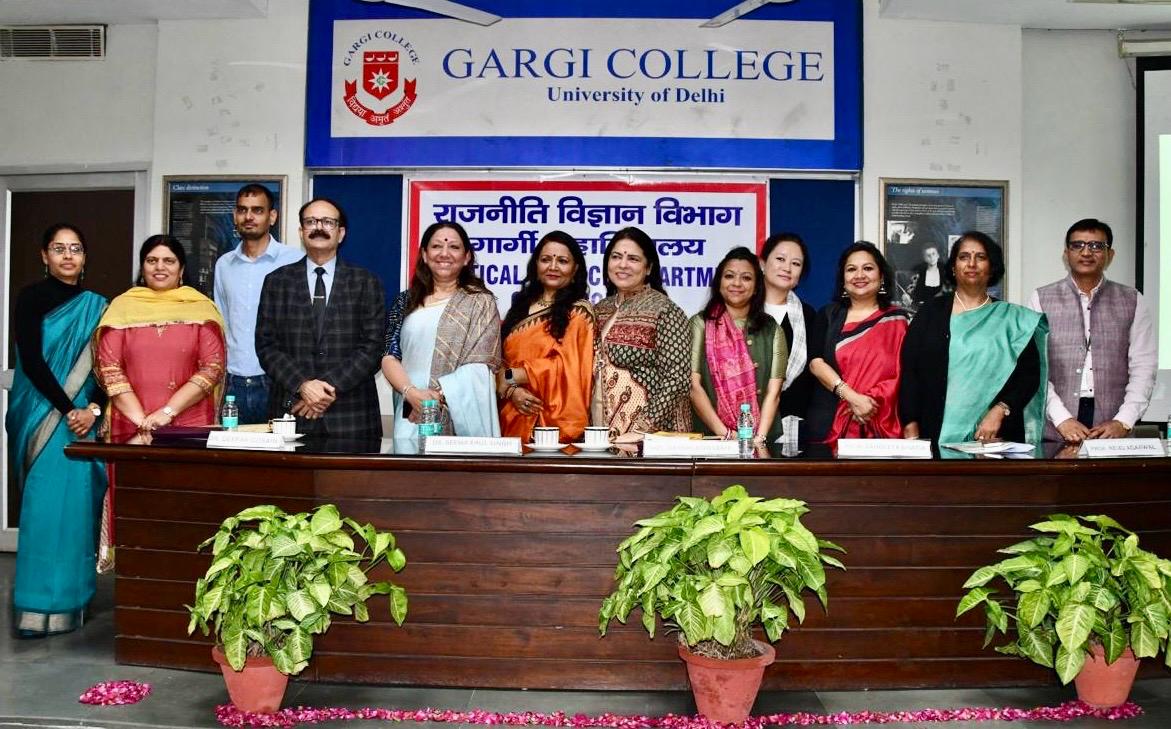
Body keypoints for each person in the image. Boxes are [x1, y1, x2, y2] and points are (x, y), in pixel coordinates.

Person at [7, 224, 108, 637]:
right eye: (59, 249)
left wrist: (93, 410)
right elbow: (32, 362)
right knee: (44, 512)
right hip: (43, 414)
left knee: (77, 512)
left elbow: (106, 367)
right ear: (44, 256)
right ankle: (34, 607)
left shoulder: (98, 306)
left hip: (83, 420)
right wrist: (71, 410)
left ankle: (71, 602)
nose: (68, 256)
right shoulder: (31, 298)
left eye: (75, 249)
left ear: (84, 258)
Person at [256, 198, 386, 440]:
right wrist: (303, 386)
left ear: (341, 233)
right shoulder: (276, 282)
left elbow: (373, 347)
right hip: (291, 410)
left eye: (327, 222)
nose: (319, 227)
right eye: (311, 221)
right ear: (301, 232)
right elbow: (266, 346)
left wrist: (323, 390)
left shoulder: (366, 282)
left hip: (352, 415)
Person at [900, 233, 1048, 445]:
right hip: (933, 432)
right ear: (953, 267)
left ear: (992, 267)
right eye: (964, 257)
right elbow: (910, 372)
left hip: (994, 435)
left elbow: (1029, 376)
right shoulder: (930, 313)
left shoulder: (1013, 320)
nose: (971, 263)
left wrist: (1000, 409)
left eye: (980, 257)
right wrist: (910, 423)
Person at [1028, 218, 1156, 442]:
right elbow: (1035, 367)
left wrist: (1123, 421)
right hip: (1055, 427)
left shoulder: (1132, 300)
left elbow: (1143, 366)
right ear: (1066, 254)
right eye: (1077, 245)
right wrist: (1062, 419)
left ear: (1110, 255)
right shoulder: (1041, 298)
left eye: (1096, 246)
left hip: (1113, 427)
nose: (1086, 252)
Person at [96, 235, 226, 438]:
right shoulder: (121, 308)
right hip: (129, 422)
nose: (159, 267)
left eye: (169, 261)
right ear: (142, 268)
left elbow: (212, 368)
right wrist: (143, 423)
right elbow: (109, 368)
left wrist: (167, 412)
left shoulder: (201, 309)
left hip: (189, 423)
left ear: (181, 270)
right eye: (151, 260)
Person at [382, 221, 500, 437]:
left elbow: (480, 365)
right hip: (410, 408)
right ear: (424, 255)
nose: (444, 253)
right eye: (436, 246)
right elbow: (389, 356)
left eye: (454, 247)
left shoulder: (481, 302)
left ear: (467, 257)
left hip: (458, 412)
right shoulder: (405, 301)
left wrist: (436, 398)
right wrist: (412, 394)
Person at [213, 183, 302, 424]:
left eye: (257, 210)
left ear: (272, 216)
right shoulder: (223, 265)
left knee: (282, 448)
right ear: (235, 216)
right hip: (234, 383)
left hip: (278, 381)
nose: (249, 217)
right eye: (243, 210)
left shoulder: (295, 260)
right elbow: (222, 321)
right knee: (233, 448)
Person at [806, 241, 910, 444]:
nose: (859, 275)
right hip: (829, 425)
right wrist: (853, 398)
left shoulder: (898, 320)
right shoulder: (827, 315)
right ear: (843, 279)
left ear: (881, 276)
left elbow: (903, 375)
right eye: (851, 269)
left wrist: (870, 404)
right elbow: (815, 363)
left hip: (885, 423)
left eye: (868, 268)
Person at [497, 230, 594, 443]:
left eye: (562, 261)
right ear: (536, 265)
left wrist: (514, 375)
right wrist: (512, 391)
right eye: (546, 259)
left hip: (553, 424)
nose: (553, 266)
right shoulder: (520, 308)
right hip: (512, 417)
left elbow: (570, 368)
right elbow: (500, 360)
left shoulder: (579, 312)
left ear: (575, 268)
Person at [592, 227, 691, 437]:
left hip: (651, 438)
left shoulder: (665, 310)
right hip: (600, 433)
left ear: (648, 268)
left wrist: (642, 429)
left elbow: (678, 378)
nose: (623, 264)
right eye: (616, 257)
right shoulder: (599, 310)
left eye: (633, 259)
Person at [689, 247, 787, 443]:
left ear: (757, 287)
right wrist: (727, 435)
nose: (736, 283)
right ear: (719, 283)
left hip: (761, 439)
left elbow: (774, 392)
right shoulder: (700, 324)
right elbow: (693, 386)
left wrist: (759, 438)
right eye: (729, 276)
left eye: (746, 278)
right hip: (711, 439)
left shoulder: (772, 329)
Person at [760, 232, 817, 423]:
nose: (787, 268)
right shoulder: (741, 309)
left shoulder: (808, 316)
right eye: (780, 259)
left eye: (796, 263)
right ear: (762, 263)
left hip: (791, 421)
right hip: (739, 417)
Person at [906, 244, 944, 311]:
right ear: (924, 258)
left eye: (933, 254)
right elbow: (910, 292)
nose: (931, 257)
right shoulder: (918, 275)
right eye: (928, 255)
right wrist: (907, 296)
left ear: (938, 255)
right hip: (921, 309)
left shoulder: (945, 273)